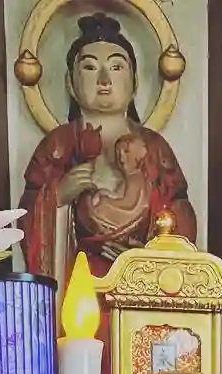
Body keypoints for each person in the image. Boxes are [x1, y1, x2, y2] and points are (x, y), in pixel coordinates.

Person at [19, 11, 196, 280]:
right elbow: (28, 217)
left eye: (116, 67)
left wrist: (150, 257)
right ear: (70, 83)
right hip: (77, 283)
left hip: (139, 285)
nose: (104, 80)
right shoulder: (57, 146)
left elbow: (179, 214)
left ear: (134, 83)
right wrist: (58, 197)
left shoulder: (154, 148)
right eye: (90, 68)